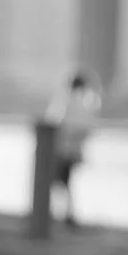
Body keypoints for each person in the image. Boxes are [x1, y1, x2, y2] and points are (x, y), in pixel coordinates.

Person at [44, 70, 101, 226]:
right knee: (64, 182)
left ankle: (59, 213)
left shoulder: (67, 101)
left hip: (61, 150)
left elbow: (53, 121)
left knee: (57, 181)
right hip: (73, 151)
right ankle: (66, 213)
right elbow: (88, 127)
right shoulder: (86, 103)